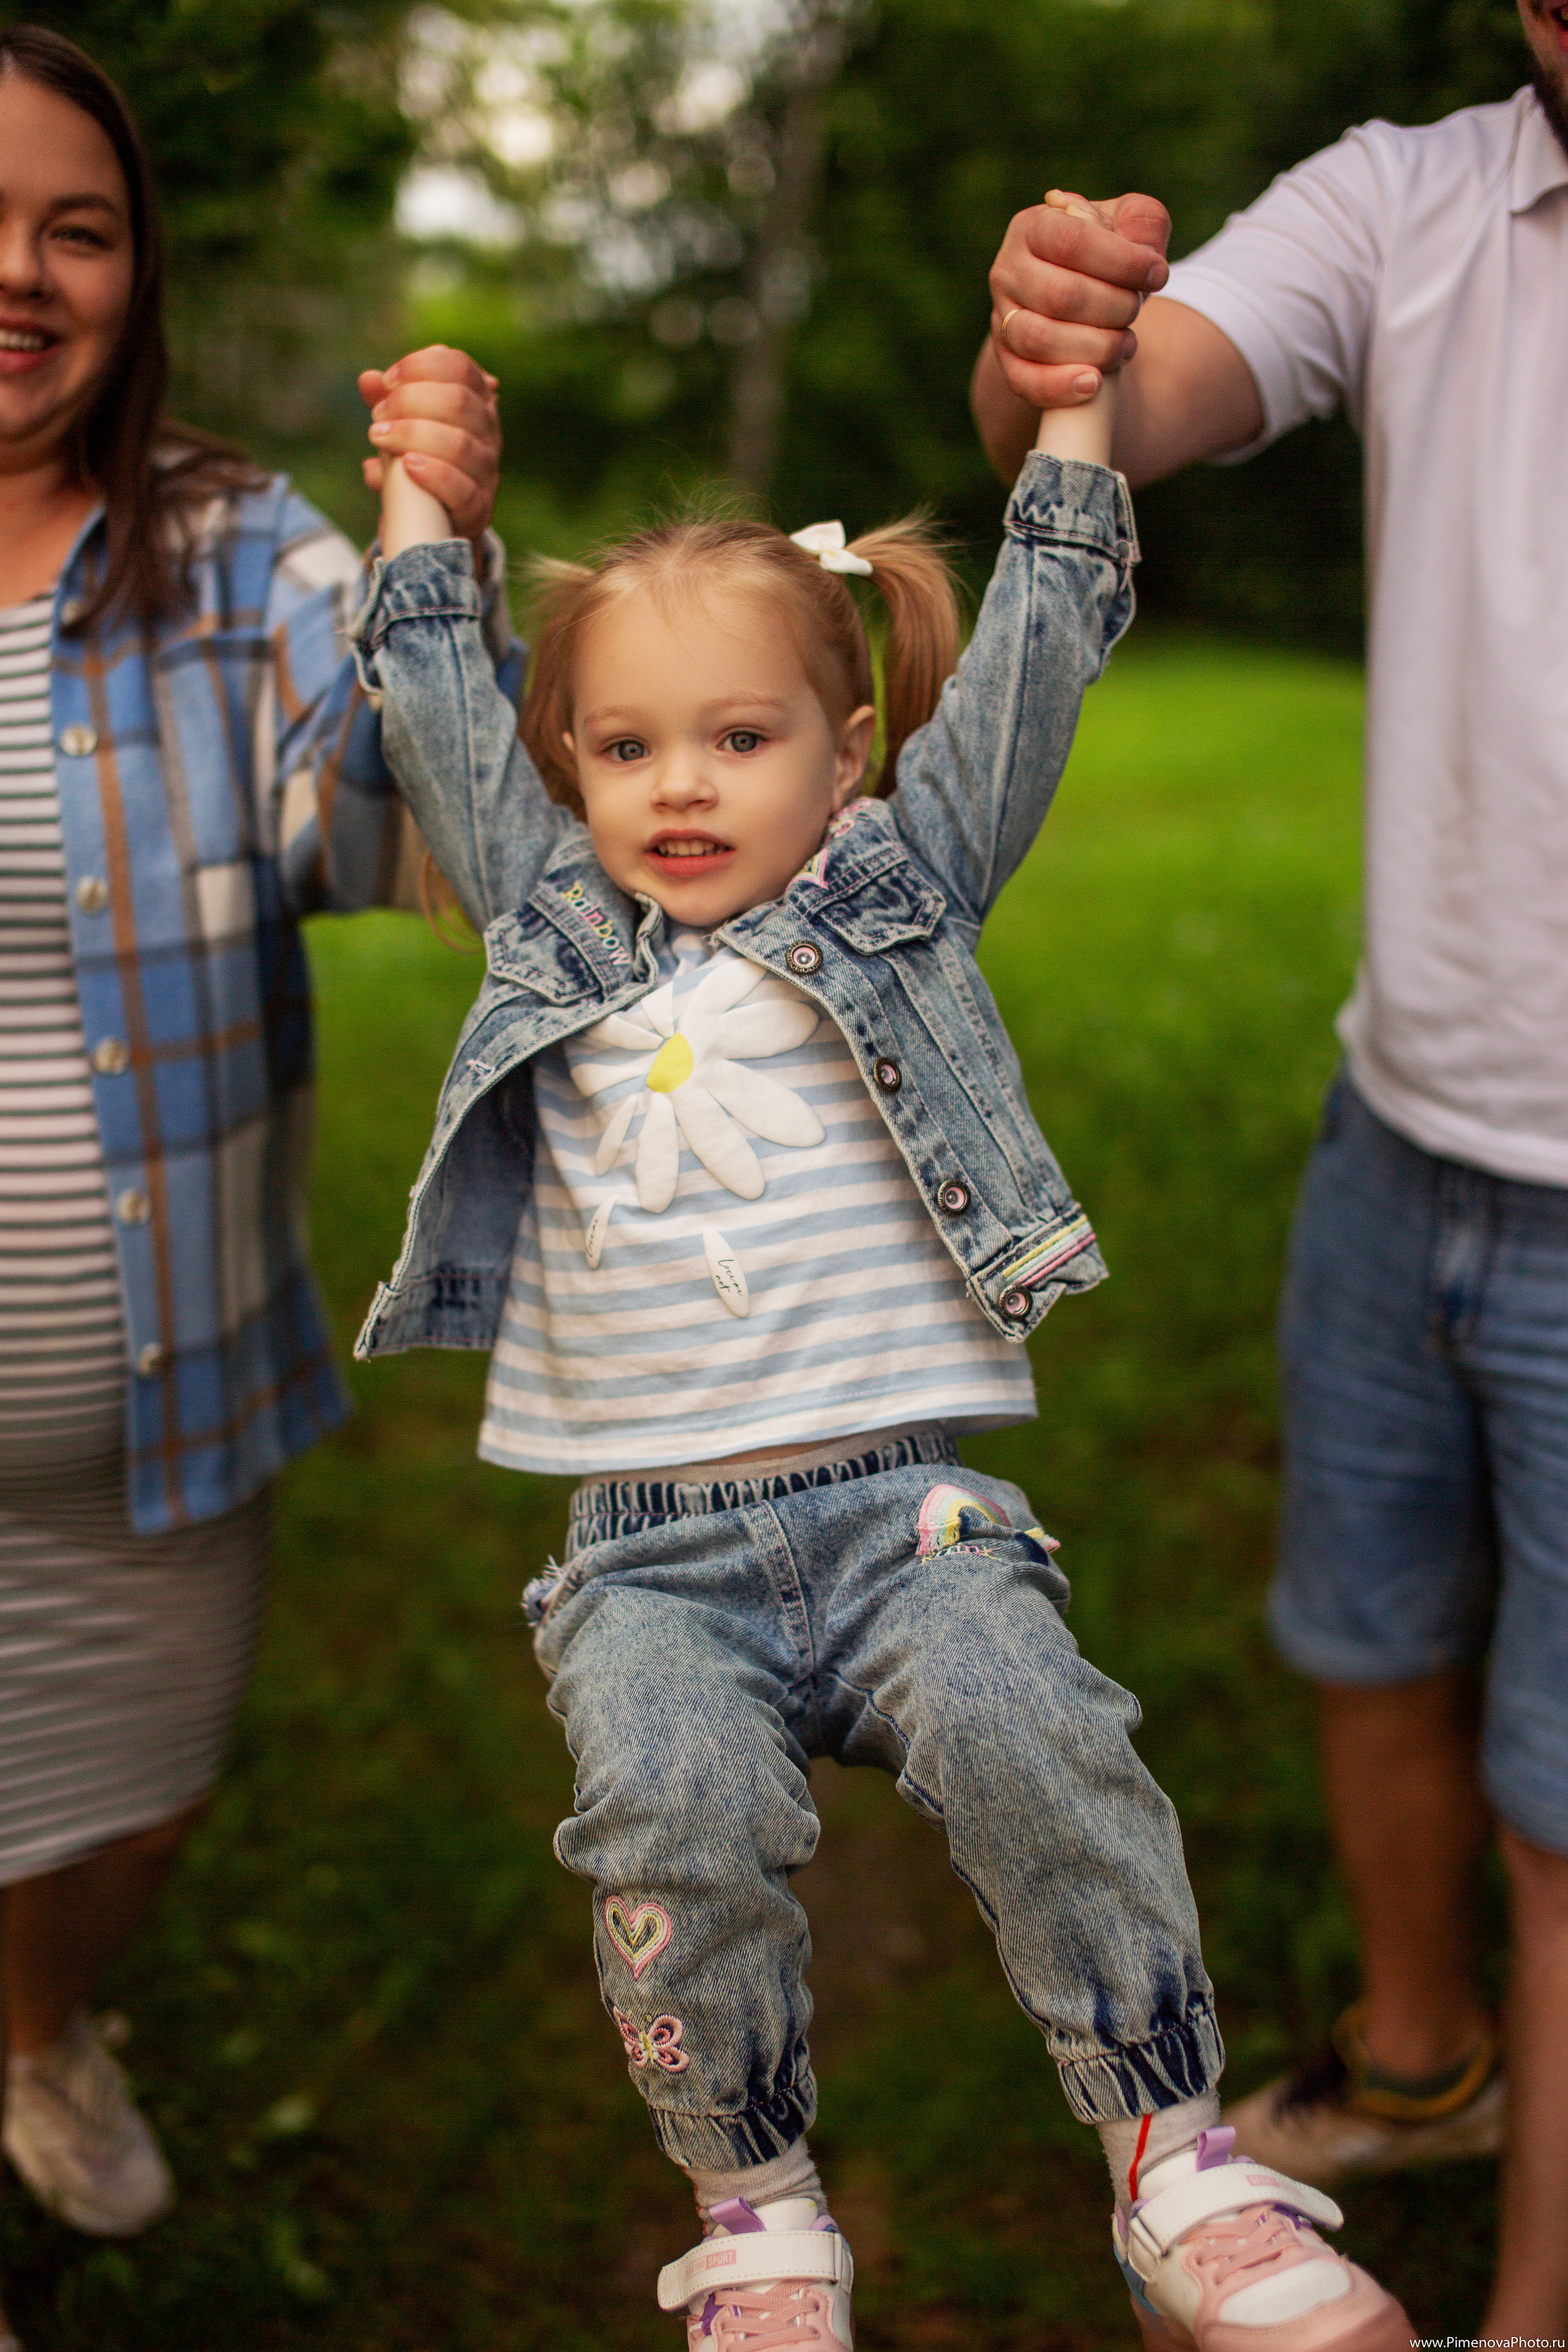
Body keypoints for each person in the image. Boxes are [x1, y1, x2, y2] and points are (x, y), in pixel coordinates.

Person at [344, 224, 1410, 2352]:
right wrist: (420, 511)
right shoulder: (553, 932)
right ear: (574, 778)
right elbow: (432, 692)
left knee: (1045, 1740)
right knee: (669, 1819)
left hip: (905, 1515)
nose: (677, 787)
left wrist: (1082, 412)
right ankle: (756, 2214)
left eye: (737, 740)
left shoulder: (901, 894)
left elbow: (1042, 638)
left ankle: (1177, 2165)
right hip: (645, 1558)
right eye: (627, 749)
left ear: (845, 755)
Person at [968, 0, 1568, 2333]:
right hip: (1394, 1129)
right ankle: (1426, 2076)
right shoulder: (1414, 197)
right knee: (1366, 1646)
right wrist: (1056, 337)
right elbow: (1128, 400)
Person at [0, 21, 505, 2311]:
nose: (23, 273)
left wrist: (434, 552)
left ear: (137, 273)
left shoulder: (216, 550)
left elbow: (390, 826)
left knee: (137, 1800)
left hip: (162, 1410)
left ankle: (28, 2026)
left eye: (74, 228)